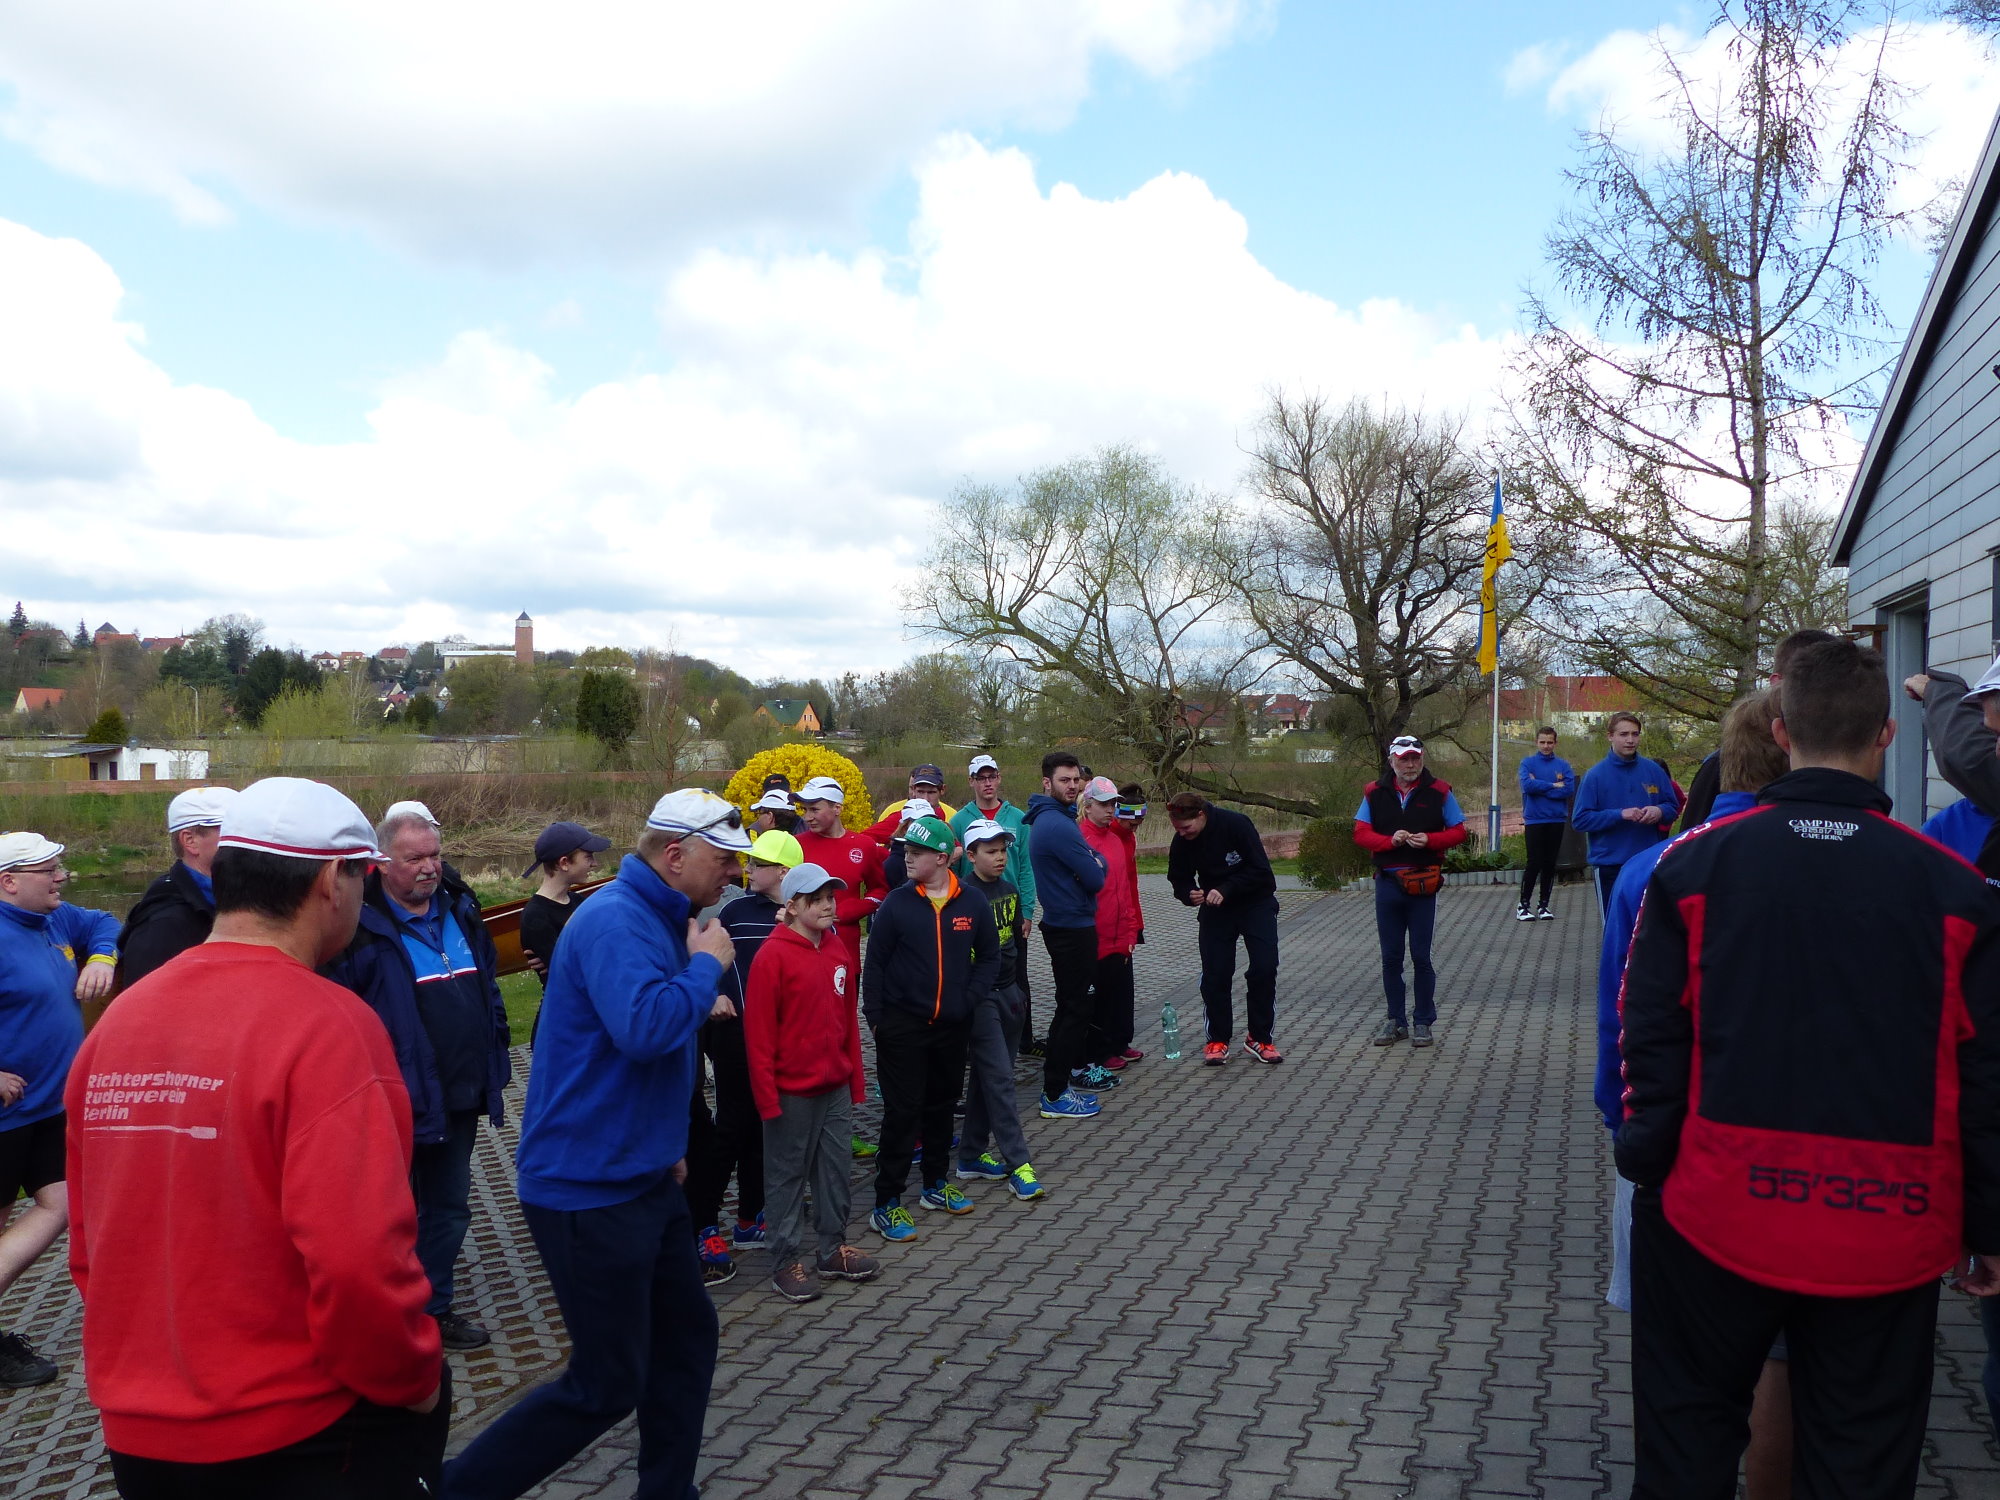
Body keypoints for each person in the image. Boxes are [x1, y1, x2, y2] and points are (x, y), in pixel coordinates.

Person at [1616, 638, 2000, 1498]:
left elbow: (1648, 1033)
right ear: (1887, 735)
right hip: (1889, 1225)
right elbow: (1984, 1076)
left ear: (1782, 733)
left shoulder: (1693, 864)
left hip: (1714, 1210)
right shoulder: (1955, 888)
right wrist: (1987, 1224)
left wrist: (1646, 1158)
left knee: (1683, 1451)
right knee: (1860, 1465)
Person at [67, 777, 446, 1496]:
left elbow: (91, 1244)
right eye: (363, 879)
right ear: (332, 880)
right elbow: (360, 1261)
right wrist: (415, 1377)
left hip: (142, 1434)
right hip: (301, 1429)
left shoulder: (119, 1023)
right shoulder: (328, 1025)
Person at [443, 789, 743, 1500]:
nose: (735, 871)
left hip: (643, 1177)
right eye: (725, 857)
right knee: (605, 1382)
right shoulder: (617, 919)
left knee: (686, 1340)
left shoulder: (662, 915)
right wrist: (706, 968)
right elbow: (646, 1028)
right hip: (585, 1189)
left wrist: (665, 1141)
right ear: (677, 855)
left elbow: (643, 1055)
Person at [1594, 692, 1797, 1499]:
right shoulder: (1868, 858)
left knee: (1677, 1358)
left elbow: (1619, 1018)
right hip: (1798, 1148)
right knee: (1780, 1354)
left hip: (1672, 1146)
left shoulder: (1657, 869)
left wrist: (1624, 1124)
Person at [323, 807, 511, 1352]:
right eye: (415, 859)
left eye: (435, 855)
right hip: (391, 1099)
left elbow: (489, 986)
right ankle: (378, 1314)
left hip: (459, 1093)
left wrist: (495, 1044)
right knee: (386, 1211)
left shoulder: (461, 906)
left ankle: (432, 1310)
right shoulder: (358, 928)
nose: (430, 867)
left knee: (449, 1208)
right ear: (382, 863)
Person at [0, 831, 118, 1387]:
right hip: (6, 1116)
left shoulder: (54, 919)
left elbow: (104, 922)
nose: (61, 877)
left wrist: (102, 958)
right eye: (48, 871)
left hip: (49, 1108)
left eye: (60, 867)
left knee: (62, 1203)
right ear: (8, 882)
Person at [861, 816, 999, 1242]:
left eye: (916, 852)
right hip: (902, 1027)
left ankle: (936, 1185)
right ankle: (887, 1202)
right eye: (906, 850)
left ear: (942, 858)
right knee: (903, 1113)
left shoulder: (972, 902)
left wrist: (968, 1000)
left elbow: (989, 957)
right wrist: (877, 1019)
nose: (907, 857)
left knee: (942, 1106)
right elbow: (875, 964)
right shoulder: (896, 904)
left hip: (952, 1025)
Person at [745, 862, 877, 1302]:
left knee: (835, 1169)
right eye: (816, 899)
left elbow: (847, 1022)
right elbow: (758, 1036)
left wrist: (854, 1081)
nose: (827, 906)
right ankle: (784, 1261)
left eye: (830, 897)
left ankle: (831, 1249)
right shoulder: (772, 956)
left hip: (834, 1085)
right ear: (792, 906)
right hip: (790, 1092)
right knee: (786, 1176)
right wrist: (767, 1100)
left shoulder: (837, 948)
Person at [687, 828, 802, 1271]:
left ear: (784, 872)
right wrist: (712, 993)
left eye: (758, 863)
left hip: (779, 1038)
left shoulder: (802, 914)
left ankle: (750, 1218)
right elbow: (699, 951)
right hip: (734, 1034)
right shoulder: (734, 910)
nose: (747, 869)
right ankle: (703, 1225)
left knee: (765, 1126)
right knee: (731, 1129)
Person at [789, 775, 888, 1161]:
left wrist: (847, 912)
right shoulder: (798, 845)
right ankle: (804, 1128)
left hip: (845, 960)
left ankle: (841, 1129)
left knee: (842, 1039)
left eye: (815, 809)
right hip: (800, 959)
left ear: (837, 808)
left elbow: (880, 889)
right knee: (806, 1039)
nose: (808, 816)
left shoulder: (863, 846)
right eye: (805, 809)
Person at [1352, 736, 1466, 1048]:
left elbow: (1459, 830)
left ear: (1422, 759)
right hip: (1387, 883)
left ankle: (1423, 1022)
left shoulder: (1440, 791)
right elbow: (1361, 833)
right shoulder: (1374, 792)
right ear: (1392, 761)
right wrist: (1389, 842)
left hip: (1423, 883)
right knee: (1391, 957)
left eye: (1415, 758)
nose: (1410, 764)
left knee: (1421, 956)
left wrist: (1430, 840)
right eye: (1404, 759)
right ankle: (1395, 1021)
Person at [954, 819, 1046, 1200]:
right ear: (970, 855)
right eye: (990, 851)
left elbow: (1013, 948)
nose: (1000, 857)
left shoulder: (1009, 891)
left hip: (1010, 995)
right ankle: (1019, 1164)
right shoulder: (963, 896)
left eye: (1003, 850)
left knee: (988, 1076)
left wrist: (1019, 993)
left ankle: (970, 1156)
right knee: (1001, 1080)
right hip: (981, 999)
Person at [1677, 629, 1835, 832]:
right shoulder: (1727, 761)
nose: (1823, 695)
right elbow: (1692, 839)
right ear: (1777, 682)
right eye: (1808, 683)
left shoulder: (1847, 754)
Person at [1168, 791, 1283, 1064]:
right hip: (1216, 909)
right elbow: (1178, 877)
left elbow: (1261, 871)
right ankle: (1217, 1039)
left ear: (1201, 815)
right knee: (1215, 973)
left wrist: (1227, 888)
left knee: (1264, 967)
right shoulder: (1182, 840)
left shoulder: (1236, 824)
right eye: (1177, 829)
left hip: (1256, 903)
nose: (1182, 833)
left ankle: (1259, 1037)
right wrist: (1188, 893)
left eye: (1186, 827)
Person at [1024, 752, 1108, 1119]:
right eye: (1064, 780)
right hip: (1071, 928)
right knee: (1074, 1009)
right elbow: (1096, 876)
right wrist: (1092, 862)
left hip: (1070, 924)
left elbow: (1094, 865)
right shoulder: (1056, 825)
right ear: (1047, 783)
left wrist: (1092, 862)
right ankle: (1055, 1093)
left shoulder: (1056, 819)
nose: (1072, 786)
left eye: (1076, 780)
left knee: (1071, 1007)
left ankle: (1057, 1087)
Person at [117, 785, 240, 985]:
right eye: (232, 831)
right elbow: (145, 1001)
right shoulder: (162, 926)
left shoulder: (237, 899)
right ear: (190, 841)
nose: (246, 841)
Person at [1571, 711, 1679, 912]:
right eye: (1624, 734)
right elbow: (1580, 820)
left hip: (1647, 862)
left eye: (1635, 734)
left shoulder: (1653, 770)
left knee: (1646, 924)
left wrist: (1659, 811)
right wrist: (1619, 815)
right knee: (1614, 925)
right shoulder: (1594, 776)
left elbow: (1673, 807)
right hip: (1610, 866)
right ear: (1610, 736)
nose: (1630, 740)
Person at [1077, 777, 1140, 1079]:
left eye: (1113, 804)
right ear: (1088, 805)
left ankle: (1116, 1044)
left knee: (1118, 992)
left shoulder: (1115, 840)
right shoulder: (1080, 839)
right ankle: (1098, 1052)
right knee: (1097, 997)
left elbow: (1125, 889)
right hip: (1094, 933)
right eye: (1103, 804)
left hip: (1119, 932)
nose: (1109, 810)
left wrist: (1131, 930)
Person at [518, 820, 611, 986]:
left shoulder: (579, 901)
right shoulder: (535, 916)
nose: (594, 864)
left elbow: (611, 946)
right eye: (588, 857)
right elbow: (571, 976)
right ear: (564, 863)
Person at [1514, 727, 1572, 921]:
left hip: (1556, 819)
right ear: (1536, 742)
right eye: (1542, 742)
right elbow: (1527, 786)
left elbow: (1568, 790)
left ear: (1555, 743)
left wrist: (1539, 787)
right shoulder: (1527, 763)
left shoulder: (1563, 765)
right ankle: (1523, 906)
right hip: (1535, 820)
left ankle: (1543, 906)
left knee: (1549, 864)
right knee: (1534, 862)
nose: (1546, 746)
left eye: (1550, 742)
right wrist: (1552, 785)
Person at [865, 763, 959, 839]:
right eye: (920, 792)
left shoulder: (945, 815)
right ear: (913, 790)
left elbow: (957, 847)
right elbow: (863, 839)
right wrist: (886, 854)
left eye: (931, 792)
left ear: (942, 790)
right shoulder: (901, 817)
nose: (925, 799)